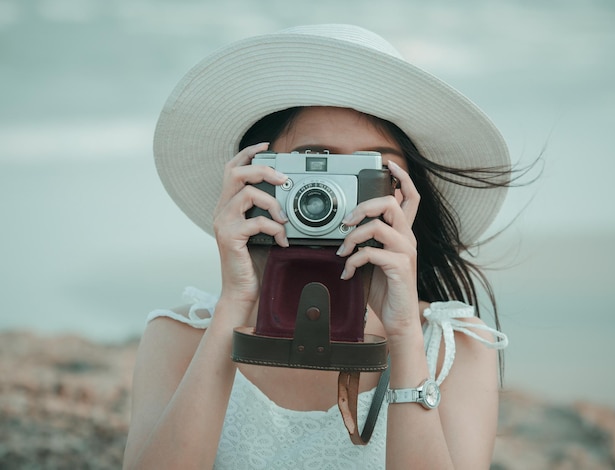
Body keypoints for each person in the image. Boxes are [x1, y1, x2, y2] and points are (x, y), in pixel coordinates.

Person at [123, 24, 513, 469]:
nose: (332, 195)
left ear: (407, 193)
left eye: (371, 170)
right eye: (317, 163)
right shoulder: (178, 337)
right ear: (257, 176)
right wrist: (235, 302)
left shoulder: (455, 349)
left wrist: (404, 336)